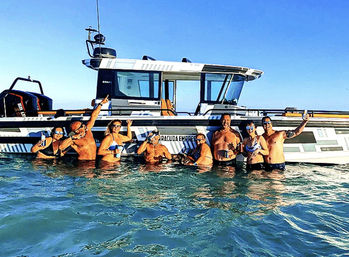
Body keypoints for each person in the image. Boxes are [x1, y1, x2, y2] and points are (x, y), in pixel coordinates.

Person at [60, 95, 109, 161]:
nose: (84, 126)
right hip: (83, 164)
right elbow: (61, 147)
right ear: (76, 131)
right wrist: (72, 137)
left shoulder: (87, 129)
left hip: (93, 162)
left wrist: (101, 103)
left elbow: (94, 116)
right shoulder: (74, 139)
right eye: (81, 126)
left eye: (82, 124)